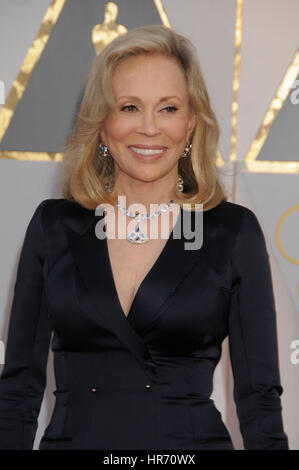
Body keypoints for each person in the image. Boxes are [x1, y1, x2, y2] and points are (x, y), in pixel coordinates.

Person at [0, 24, 289, 450]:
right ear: (102, 125)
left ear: (191, 123)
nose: (149, 128)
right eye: (130, 107)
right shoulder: (55, 226)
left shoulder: (229, 232)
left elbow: (259, 396)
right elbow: (20, 387)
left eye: (168, 108)